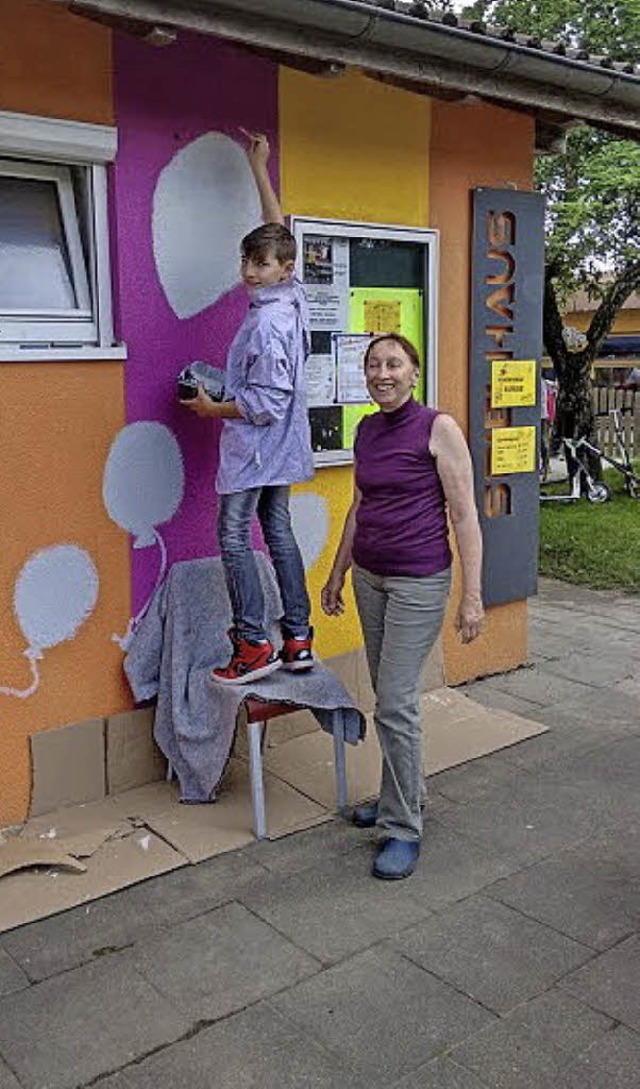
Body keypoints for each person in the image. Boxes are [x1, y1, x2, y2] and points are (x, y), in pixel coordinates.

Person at [321, 334, 484, 880]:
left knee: (394, 703)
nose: (382, 373)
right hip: (370, 576)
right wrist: (338, 569)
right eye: (373, 365)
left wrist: (473, 597)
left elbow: (465, 515)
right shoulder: (366, 429)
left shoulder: (438, 428)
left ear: (415, 371)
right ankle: (404, 793)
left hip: (419, 580)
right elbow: (358, 504)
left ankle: (403, 827)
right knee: (389, 699)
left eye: (393, 364)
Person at [181, 130, 314, 685]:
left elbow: (261, 405)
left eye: (260, 263)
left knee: (235, 538)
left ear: (281, 267)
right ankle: (298, 638)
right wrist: (260, 166)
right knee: (278, 531)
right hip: (283, 450)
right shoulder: (292, 293)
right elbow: (279, 230)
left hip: (259, 448)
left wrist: (213, 411)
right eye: (246, 261)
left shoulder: (266, 324)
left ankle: (253, 644)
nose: (249, 271)